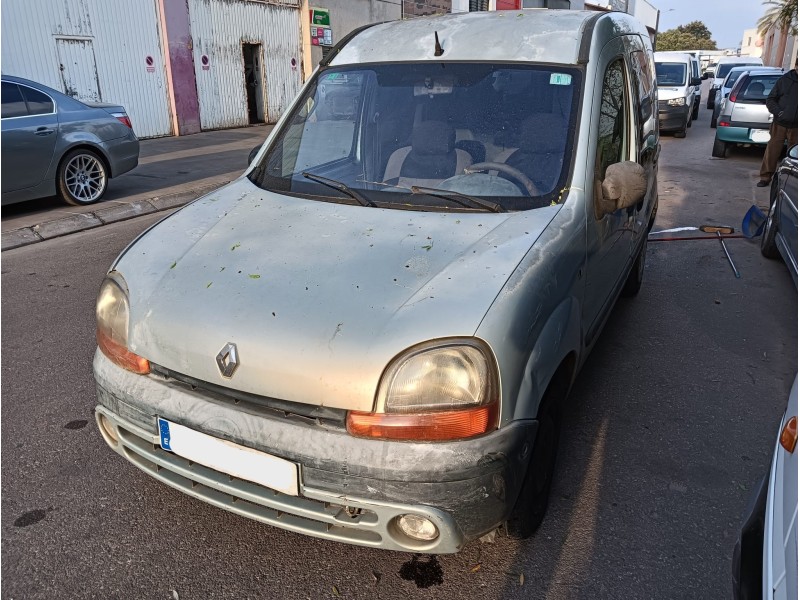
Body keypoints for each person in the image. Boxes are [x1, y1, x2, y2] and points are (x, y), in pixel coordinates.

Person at [757, 64, 797, 187]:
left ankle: (791, 180)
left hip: (797, 127)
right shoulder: (784, 80)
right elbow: (770, 99)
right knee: (772, 151)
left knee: (795, 155)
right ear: (796, 66)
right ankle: (765, 177)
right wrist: (779, 112)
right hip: (779, 124)